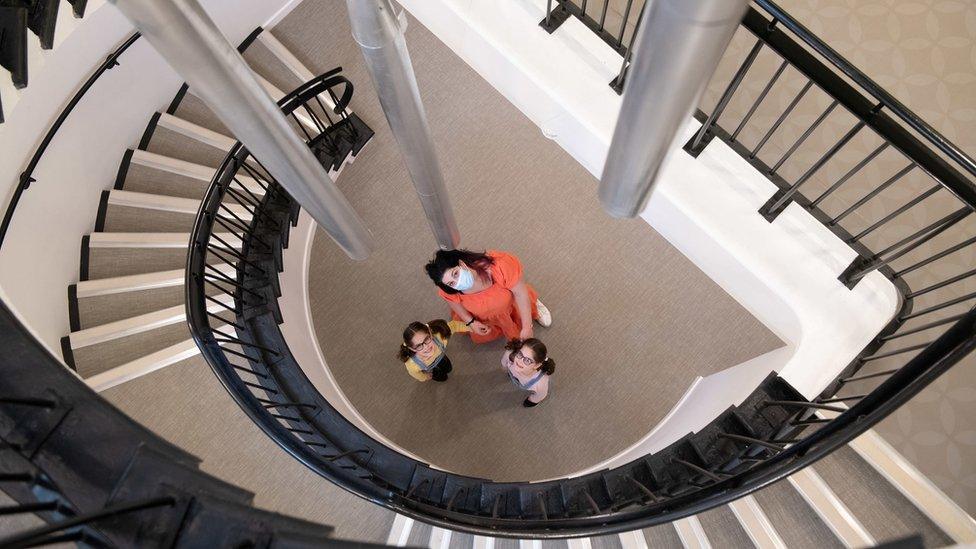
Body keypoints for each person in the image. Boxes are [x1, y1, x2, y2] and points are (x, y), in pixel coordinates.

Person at [424, 249, 552, 344]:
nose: (457, 282)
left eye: (455, 274)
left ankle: (533, 305)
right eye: (452, 283)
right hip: (485, 317)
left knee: (523, 296)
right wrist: (471, 322)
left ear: (462, 263)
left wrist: (526, 327)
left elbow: (519, 293)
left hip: (513, 303)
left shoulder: (499, 265)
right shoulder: (447, 287)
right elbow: (452, 301)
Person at [397, 319, 469, 382]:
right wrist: (424, 377)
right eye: (419, 346)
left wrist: (472, 327)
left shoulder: (439, 336)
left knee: (449, 368)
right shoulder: (412, 364)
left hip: (441, 358)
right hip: (432, 369)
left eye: (426, 339)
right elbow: (415, 373)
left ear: (430, 333)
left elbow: (455, 326)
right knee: (441, 377)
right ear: (411, 348)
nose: (426, 347)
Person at [502, 338, 555, 407]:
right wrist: (506, 369)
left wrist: (532, 401)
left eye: (527, 360)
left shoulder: (540, 383)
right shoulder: (509, 355)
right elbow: (504, 364)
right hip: (513, 375)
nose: (520, 361)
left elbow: (540, 395)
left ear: (537, 365)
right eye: (520, 354)